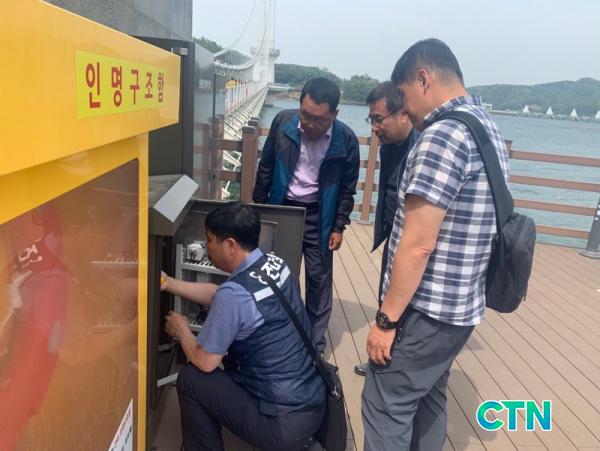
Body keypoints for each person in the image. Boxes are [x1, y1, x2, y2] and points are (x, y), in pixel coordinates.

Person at [361, 38, 510, 450]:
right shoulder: (487, 128)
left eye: (404, 96)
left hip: (426, 310)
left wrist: (386, 321)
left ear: (423, 79)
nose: (405, 110)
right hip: (461, 308)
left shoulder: (442, 135)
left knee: (385, 402)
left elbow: (418, 245)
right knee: (428, 397)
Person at [161, 202, 326, 451]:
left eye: (209, 239)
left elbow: (206, 362)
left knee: (191, 379)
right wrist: (168, 283)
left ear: (230, 245)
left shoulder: (235, 295)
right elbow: (221, 296)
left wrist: (181, 331)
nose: (207, 246)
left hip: (281, 425)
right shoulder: (274, 264)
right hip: (312, 402)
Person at [252, 77, 360, 352]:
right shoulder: (283, 123)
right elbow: (266, 167)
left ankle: (314, 345)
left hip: (319, 215)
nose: (310, 124)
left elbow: (347, 189)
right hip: (283, 208)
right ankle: (280, 333)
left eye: (319, 119)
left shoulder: (346, 139)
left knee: (318, 279)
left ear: (335, 114)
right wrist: (259, 210)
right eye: (305, 115)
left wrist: (338, 226)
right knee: (278, 272)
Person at [354, 81, 419, 377]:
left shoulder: (422, 147)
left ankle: (394, 364)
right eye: (371, 119)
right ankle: (380, 358)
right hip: (394, 232)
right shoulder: (390, 145)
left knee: (404, 303)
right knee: (386, 295)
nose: (374, 128)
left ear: (403, 114)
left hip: (414, 237)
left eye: (379, 119)